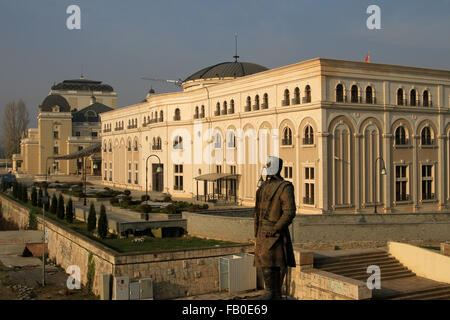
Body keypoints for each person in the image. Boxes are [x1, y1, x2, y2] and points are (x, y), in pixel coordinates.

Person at [254, 156, 296, 300]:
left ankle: (273, 293)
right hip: (264, 233)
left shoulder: (284, 187)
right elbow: (257, 212)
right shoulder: (264, 187)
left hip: (275, 233)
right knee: (266, 264)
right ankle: (271, 292)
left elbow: (289, 212)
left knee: (274, 264)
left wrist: (276, 228)